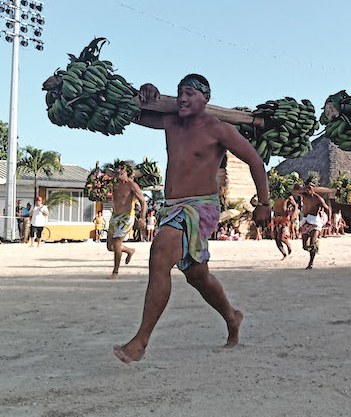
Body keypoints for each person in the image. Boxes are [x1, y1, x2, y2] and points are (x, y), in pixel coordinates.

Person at [113, 74, 269, 363]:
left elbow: (255, 161)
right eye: (179, 93)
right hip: (170, 207)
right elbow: (134, 114)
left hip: (201, 207)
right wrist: (145, 94)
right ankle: (232, 317)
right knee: (198, 277)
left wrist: (264, 202)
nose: (183, 98)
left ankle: (140, 341)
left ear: (206, 98)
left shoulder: (219, 129)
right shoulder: (171, 122)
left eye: (190, 93)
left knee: (160, 255)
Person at [107, 161, 146, 279]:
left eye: (121, 169)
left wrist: (142, 218)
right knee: (111, 247)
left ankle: (115, 271)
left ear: (127, 171)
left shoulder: (132, 185)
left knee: (117, 243)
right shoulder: (113, 183)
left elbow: (143, 201)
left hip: (127, 217)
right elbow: (102, 174)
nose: (119, 171)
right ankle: (129, 251)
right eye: (117, 169)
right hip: (115, 216)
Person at [293, 176, 330, 270]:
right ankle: (316, 244)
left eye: (310, 187)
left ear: (314, 188)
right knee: (305, 246)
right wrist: (300, 188)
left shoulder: (318, 199)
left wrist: (329, 220)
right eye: (307, 187)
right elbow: (293, 191)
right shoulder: (303, 196)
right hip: (305, 221)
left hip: (315, 222)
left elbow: (327, 209)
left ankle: (311, 262)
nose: (308, 189)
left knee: (312, 243)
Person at [272, 195, 297, 259]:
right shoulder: (274, 194)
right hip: (276, 218)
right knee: (276, 239)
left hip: (284, 218)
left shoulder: (287, 196)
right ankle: (284, 254)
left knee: (282, 237)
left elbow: (295, 205)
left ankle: (288, 245)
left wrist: (293, 215)